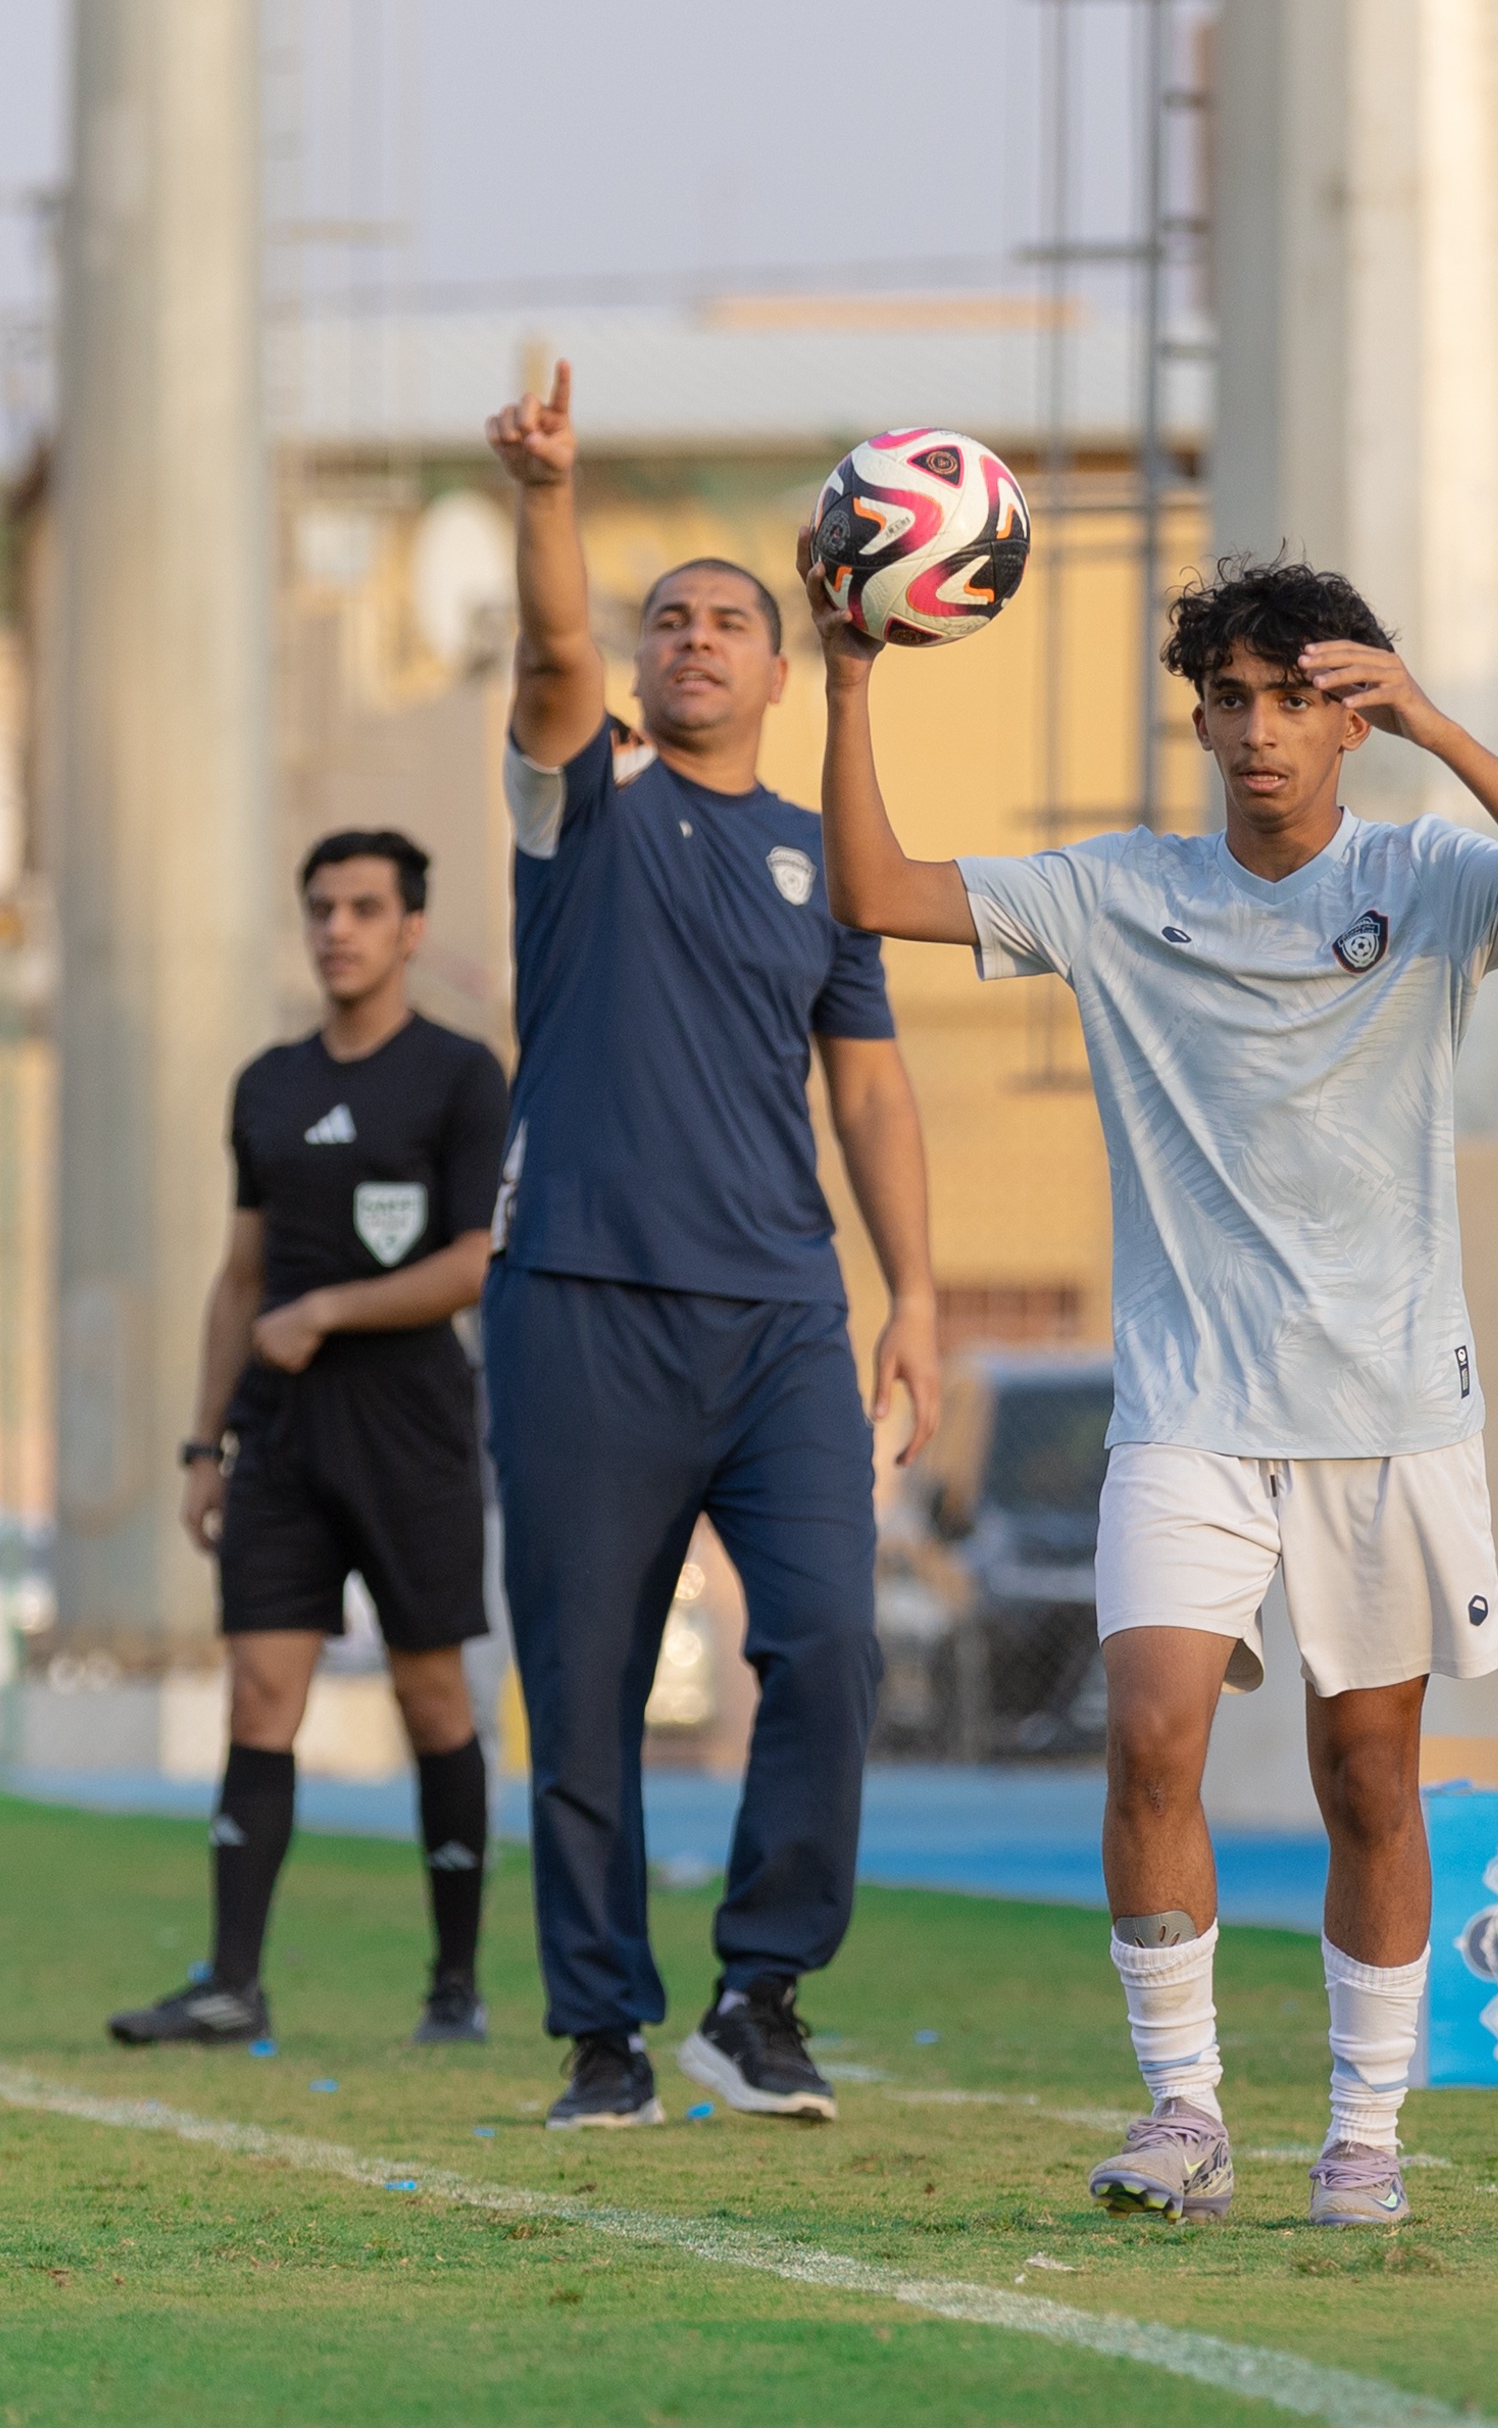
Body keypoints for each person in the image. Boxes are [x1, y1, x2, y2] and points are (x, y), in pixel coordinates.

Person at [805, 540, 1498, 2227]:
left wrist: (1439, 724)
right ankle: (1183, 2112)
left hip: (1390, 1411)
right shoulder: (1119, 892)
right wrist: (855, 673)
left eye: (1297, 700)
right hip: (1187, 1407)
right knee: (1154, 1736)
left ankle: (1366, 2134)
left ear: (1346, 724)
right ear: (1199, 721)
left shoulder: (1428, 873)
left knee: (1369, 1777)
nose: (1259, 729)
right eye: (1231, 699)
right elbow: (874, 890)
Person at [483, 364, 941, 2129]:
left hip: (778, 1322)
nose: (690, 637)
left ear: (770, 666)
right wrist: (547, 498)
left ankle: (760, 1993)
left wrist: (919, 1297)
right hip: (579, 1305)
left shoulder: (826, 864)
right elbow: (545, 668)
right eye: (664, 616)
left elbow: (878, 1092)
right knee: (583, 1680)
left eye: (724, 618)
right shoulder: (578, 806)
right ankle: (605, 2030)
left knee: (829, 1642)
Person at [110, 830, 509, 2051]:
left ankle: (454, 1985)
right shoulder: (268, 1084)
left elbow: (473, 1259)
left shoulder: (459, 1075)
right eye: (322, 906)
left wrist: (329, 1309)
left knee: (432, 1696)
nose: (338, 927)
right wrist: (200, 1444)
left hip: (412, 1429)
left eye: (364, 908)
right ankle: (233, 1981)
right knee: (259, 1688)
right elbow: (237, 1277)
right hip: (279, 1439)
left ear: (409, 930)